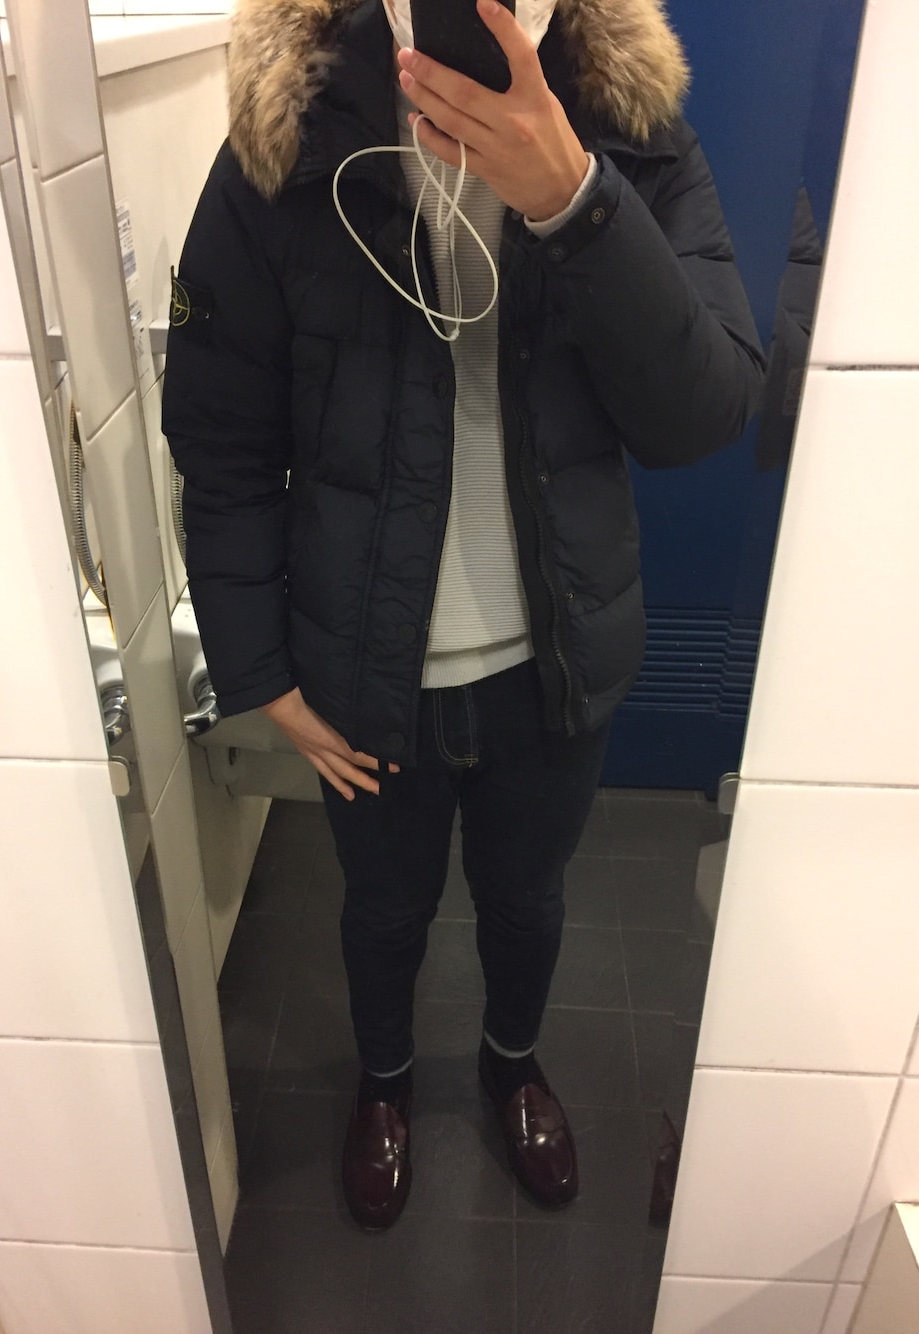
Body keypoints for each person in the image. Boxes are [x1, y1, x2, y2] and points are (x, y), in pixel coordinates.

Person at [162, 0, 764, 1232]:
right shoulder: (289, 136)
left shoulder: (628, 129)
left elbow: (703, 413)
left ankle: (510, 1063)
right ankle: (383, 1084)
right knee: (380, 908)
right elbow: (220, 439)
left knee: (527, 896)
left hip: (554, 650)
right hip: (362, 661)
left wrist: (575, 204)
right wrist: (257, 666)